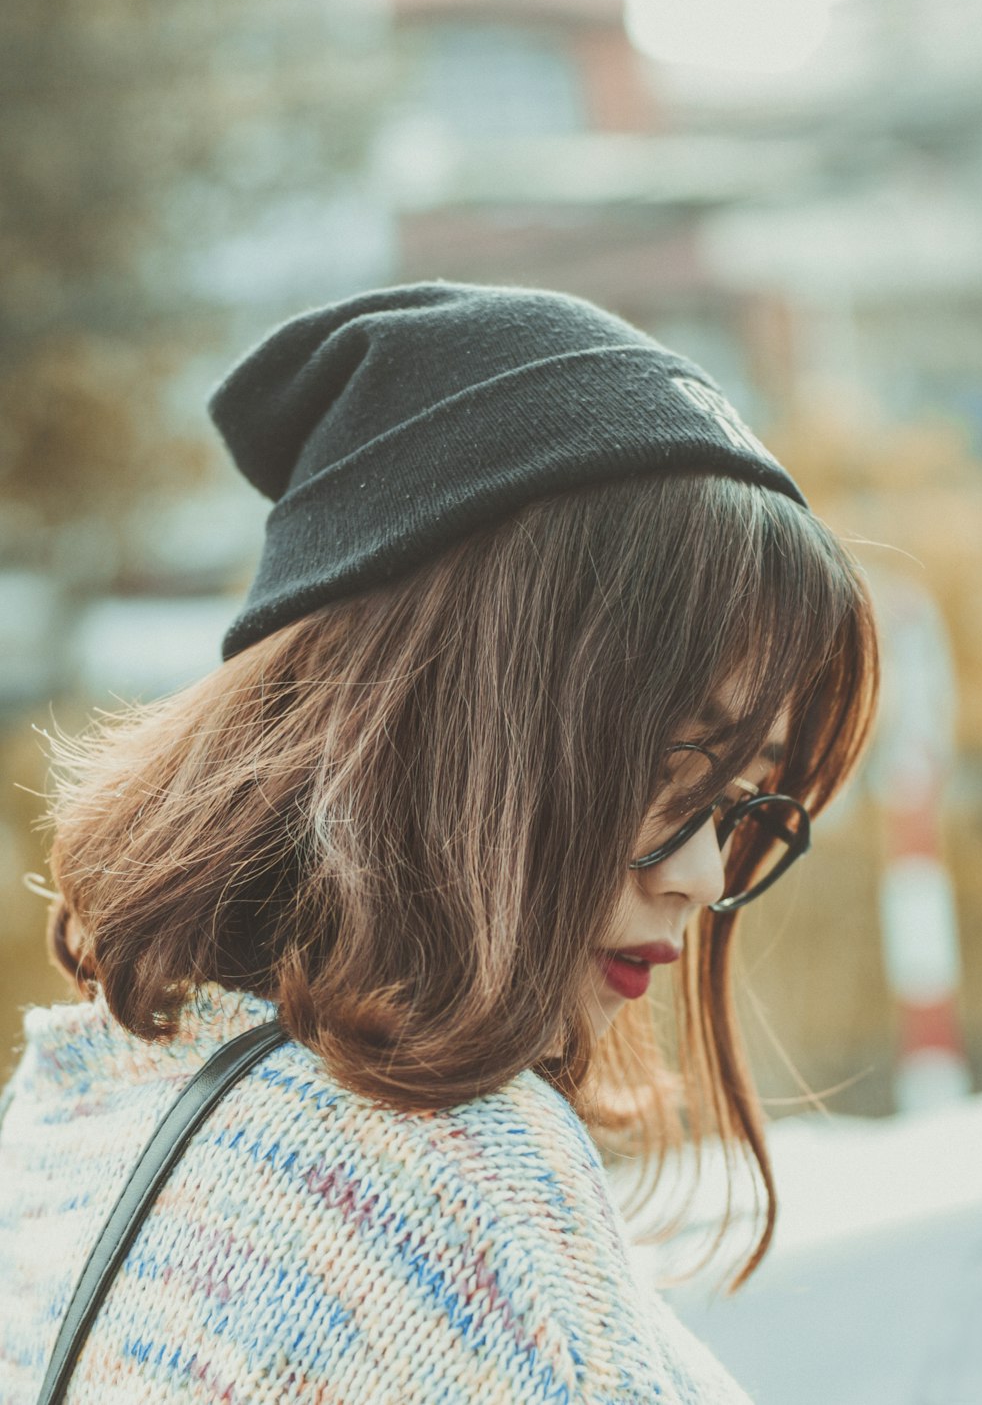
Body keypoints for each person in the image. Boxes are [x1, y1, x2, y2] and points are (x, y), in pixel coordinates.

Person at [0, 283, 878, 1403]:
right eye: (665, 771)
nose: (703, 876)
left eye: (738, 805)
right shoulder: (457, 1183)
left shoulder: (81, 1103)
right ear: (449, 731)